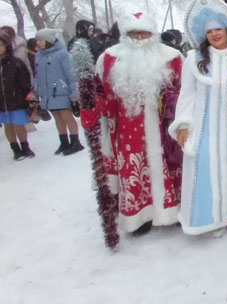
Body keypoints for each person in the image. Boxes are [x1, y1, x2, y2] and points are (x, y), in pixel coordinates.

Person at [81, 12, 183, 236]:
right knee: (134, 169)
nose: (139, 38)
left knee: (172, 164)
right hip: (127, 128)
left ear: (153, 34)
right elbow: (100, 91)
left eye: (144, 33)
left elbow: (183, 90)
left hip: (165, 123)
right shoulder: (109, 58)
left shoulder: (171, 56)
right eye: (133, 33)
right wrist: (91, 108)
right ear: (125, 35)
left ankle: (174, 209)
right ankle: (140, 217)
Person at [170, 0, 227, 237]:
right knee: (206, 170)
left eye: (218, 29)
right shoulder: (194, 59)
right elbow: (187, 94)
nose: (215, 34)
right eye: (209, 32)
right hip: (203, 128)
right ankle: (212, 220)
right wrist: (183, 124)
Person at [35, 28, 83, 156]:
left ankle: (75, 141)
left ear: (49, 40)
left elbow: (71, 74)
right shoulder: (39, 55)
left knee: (66, 115)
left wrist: (74, 91)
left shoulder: (63, 54)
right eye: (37, 40)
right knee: (57, 116)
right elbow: (38, 75)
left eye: (40, 40)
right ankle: (64, 141)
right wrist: (37, 89)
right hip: (48, 93)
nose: (38, 42)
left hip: (61, 91)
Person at [0, 33, 35, 160]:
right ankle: (15, 148)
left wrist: (27, 98)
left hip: (16, 99)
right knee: (7, 125)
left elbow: (25, 82)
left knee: (18, 124)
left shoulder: (16, 63)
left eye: (1, 45)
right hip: (1, 102)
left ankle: (25, 146)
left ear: (7, 46)